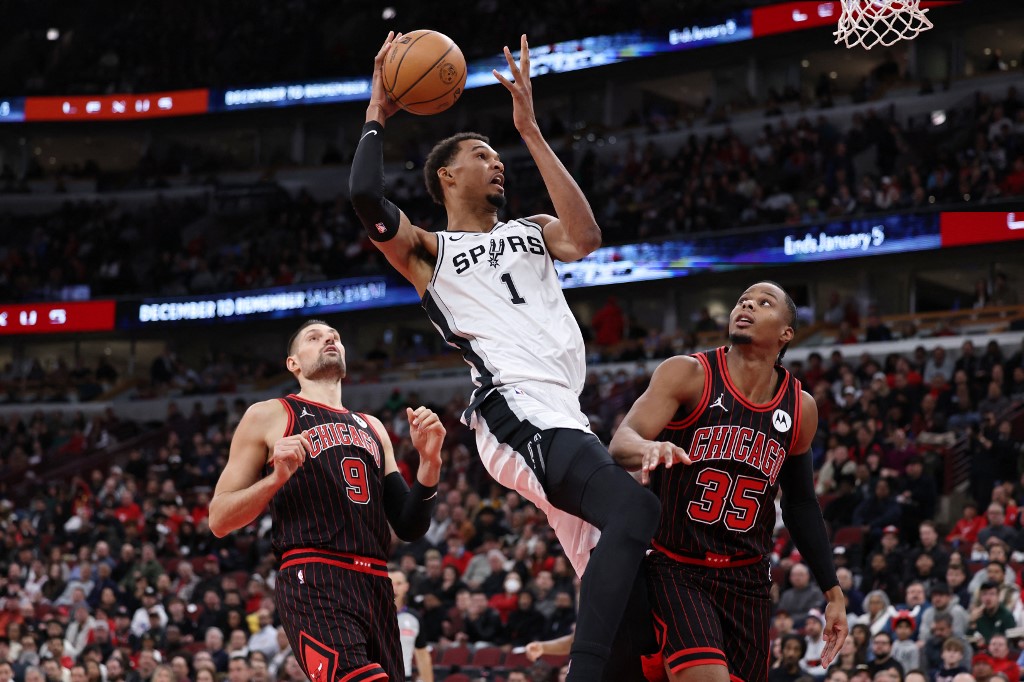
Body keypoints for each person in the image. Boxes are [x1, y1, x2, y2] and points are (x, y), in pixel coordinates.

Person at [348, 31, 660, 682]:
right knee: (635, 510)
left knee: (638, 590)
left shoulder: (532, 232)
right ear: (446, 175)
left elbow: (587, 236)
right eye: (483, 154)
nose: (498, 164)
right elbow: (367, 203)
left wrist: (532, 132)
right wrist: (378, 111)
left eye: (499, 155)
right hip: (513, 410)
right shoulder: (430, 251)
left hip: (563, 413)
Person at [609, 281, 848, 682]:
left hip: (748, 580)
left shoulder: (799, 407)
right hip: (678, 567)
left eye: (763, 302)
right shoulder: (688, 373)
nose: (748, 305)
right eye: (743, 300)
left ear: (786, 333)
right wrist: (649, 448)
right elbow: (621, 441)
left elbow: (801, 504)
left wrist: (833, 592)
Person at [208, 319, 445, 682]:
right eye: (314, 337)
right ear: (293, 364)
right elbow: (220, 518)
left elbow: (409, 525)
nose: (329, 339)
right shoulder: (269, 414)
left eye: (334, 336)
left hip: (376, 584)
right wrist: (276, 479)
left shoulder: (373, 426)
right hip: (313, 576)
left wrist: (430, 463)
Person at [389, 568, 433, 682]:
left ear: (406, 587)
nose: (395, 588)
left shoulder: (414, 618)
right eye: (390, 582)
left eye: (399, 583)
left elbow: (422, 655)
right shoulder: (371, 614)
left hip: (404, 677)